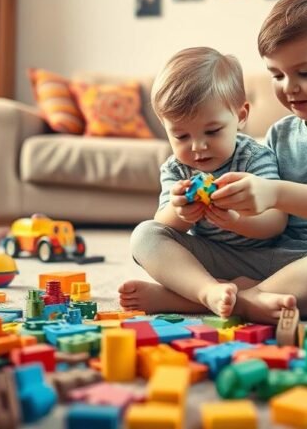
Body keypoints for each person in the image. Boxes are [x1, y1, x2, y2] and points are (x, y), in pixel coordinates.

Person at [120, 0, 307, 323]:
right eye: (277, 74)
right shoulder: (280, 133)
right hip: (274, 258)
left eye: (304, 72)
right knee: (146, 235)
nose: (289, 87)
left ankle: (227, 300)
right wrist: (215, 209)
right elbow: (262, 226)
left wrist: (273, 193)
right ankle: (217, 292)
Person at [119, 47, 288, 318]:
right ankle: (207, 291)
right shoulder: (177, 169)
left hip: (264, 260)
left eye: (212, 131)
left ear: (241, 116)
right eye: (181, 136)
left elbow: (276, 222)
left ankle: (183, 299)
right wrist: (180, 211)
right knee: (144, 235)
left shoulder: (255, 157)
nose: (198, 147)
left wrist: (235, 220)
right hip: (208, 263)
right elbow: (163, 227)